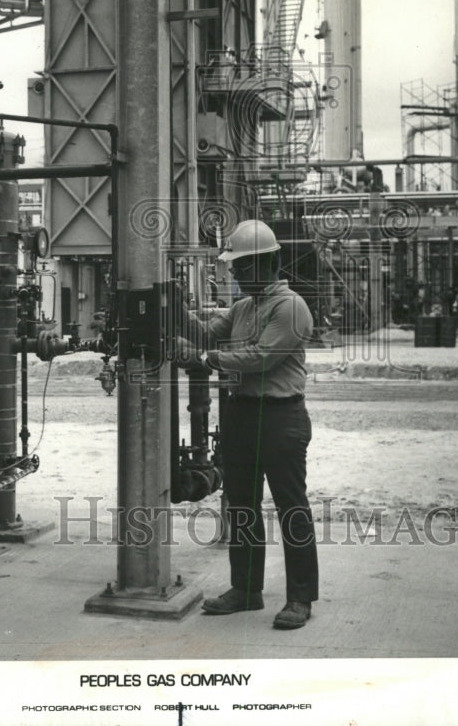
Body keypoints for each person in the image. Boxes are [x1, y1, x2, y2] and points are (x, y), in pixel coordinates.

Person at [176, 219, 318, 630]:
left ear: (265, 263)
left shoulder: (290, 307)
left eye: (240, 267)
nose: (235, 275)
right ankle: (246, 590)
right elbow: (205, 335)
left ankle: (300, 598)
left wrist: (206, 360)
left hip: (280, 416)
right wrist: (171, 308)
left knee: (292, 507)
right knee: (241, 505)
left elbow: (260, 358)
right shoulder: (243, 307)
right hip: (241, 414)